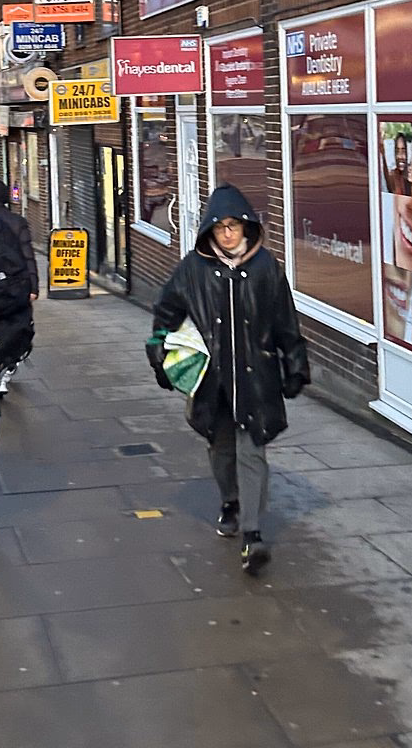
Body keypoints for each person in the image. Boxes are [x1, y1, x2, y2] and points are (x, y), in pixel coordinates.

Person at [147, 182, 309, 576]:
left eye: (235, 226)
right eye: (220, 228)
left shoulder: (266, 268)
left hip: (255, 379)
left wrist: (295, 365)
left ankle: (252, 535)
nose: (228, 234)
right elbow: (165, 312)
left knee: (252, 450)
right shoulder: (193, 268)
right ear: (210, 231)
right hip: (212, 380)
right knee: (221, 450)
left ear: (248, 226)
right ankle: (230, 501)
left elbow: (286, 321)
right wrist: (160, 353)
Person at [0, 179, 39, 396]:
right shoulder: (16, 221)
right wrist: (33, 286)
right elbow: (27, 255)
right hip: (15, 284)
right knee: (16, 326)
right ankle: (8, 368)